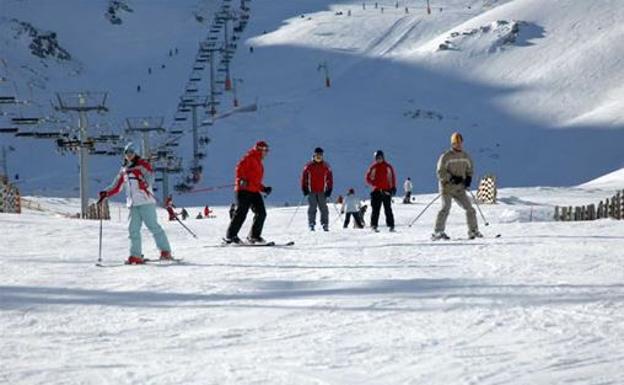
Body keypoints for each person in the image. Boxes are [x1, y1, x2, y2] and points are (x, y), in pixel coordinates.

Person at [98, 143, 173, 264]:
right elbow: (117, 186)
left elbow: (150, 178)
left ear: (136, 153)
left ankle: (165, 251)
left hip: (145, 201)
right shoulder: (124, 169)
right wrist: (106, 193)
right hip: (133, 204)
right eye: (127, 153)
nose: (128, 155)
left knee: (153, 226)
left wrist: (144, 182)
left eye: (131, 153)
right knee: (133, 229)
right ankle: (135, 255)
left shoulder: (143, 165)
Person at [432, 132, 482, 240]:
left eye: (460, 143)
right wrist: (450, 178)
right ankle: (438, 232)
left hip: (459, 188)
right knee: (445, 207)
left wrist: (468, 179)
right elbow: (440, 171)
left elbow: (470, 169)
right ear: (452, 144)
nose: (458, 145)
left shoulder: (466, 156)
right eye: (456, 143)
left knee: (470, 208)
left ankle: (473, 230)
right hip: (447, 188)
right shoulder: (445, 156)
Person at [224, 141, 272, 244]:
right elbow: (239, 168)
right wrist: (241, 179)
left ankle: (254, 236)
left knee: (261, 213)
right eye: (265, 150)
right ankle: (231, 236)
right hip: (243, 190)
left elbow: (255, 181)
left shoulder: (259, 163)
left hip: (254, 191)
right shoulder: (249, 157)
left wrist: (264, 189)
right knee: (241, 212)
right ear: (260, 149)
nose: (266, 153)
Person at [301, 147, 333, 231]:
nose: (319, 157)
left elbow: (329, 178)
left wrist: (329, 189)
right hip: (311, 191)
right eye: (317, 155)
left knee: (324, 209)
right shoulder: (309, 166)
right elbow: (304, 178)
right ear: (314, 155)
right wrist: (304, 188)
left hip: (322, 191)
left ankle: (325, 224)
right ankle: (311, 223)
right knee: (312, 208)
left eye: (320, 155)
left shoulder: (326, 166)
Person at [365, 150, 396, 232]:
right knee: (375, 209)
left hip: (386, 190)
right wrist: (374, 183)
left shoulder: (388, 167)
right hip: (376, 191)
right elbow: (367, 178)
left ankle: (391, 225)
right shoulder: (373, 167)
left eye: (380, 158)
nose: (378, 160)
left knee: (388, 209)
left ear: (383, 157)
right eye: (377, 158)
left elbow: (392, 178)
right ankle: (374, 225)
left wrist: (393, 187)